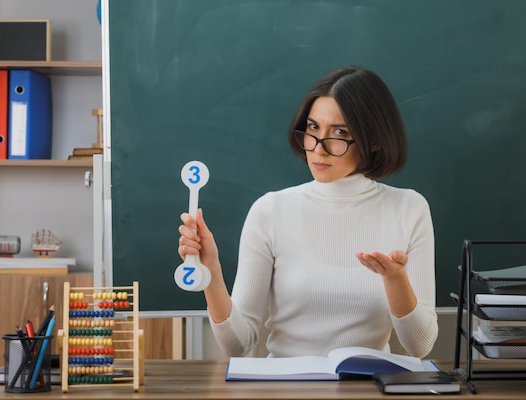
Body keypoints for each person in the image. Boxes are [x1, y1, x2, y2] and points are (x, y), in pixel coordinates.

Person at [178, 66, 438, 359]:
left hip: (366, 388)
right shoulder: (270, 210)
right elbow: (238, 344)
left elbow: (420, 346)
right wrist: (210, 271)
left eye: (339, 132)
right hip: (285, 388)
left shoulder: (409, 209)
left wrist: (395, 279)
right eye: (313, 128)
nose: (318, 148)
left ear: (374, 140)